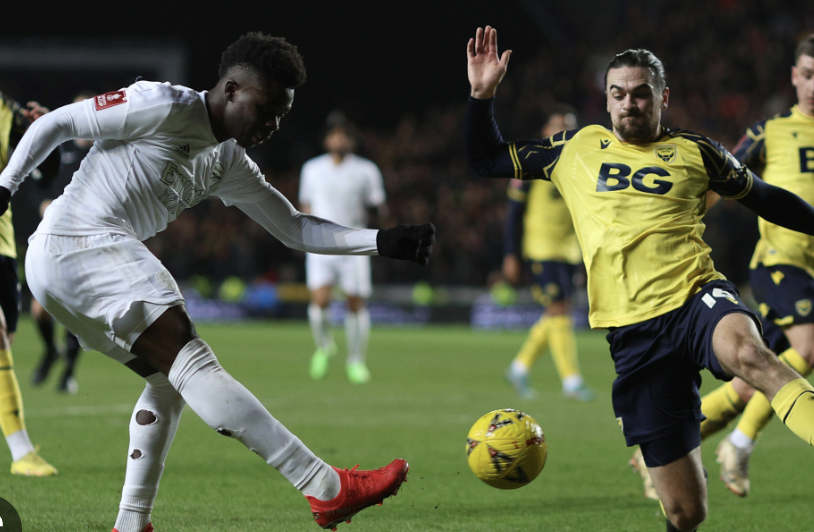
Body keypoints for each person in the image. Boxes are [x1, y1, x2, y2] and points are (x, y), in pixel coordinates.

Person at [0, 32, 434, 532]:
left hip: (63, 267)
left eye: (281, 116)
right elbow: (59, 122)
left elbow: (293, 225)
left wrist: (380, 241)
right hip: (79, 242)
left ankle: (130, 522)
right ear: (231, 89)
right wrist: (5, 187)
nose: (271, 125)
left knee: (167, 382)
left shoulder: (228, 160)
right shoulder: (161, 103)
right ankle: (325, 487)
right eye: (265, 108)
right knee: (191, 358)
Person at [465, 26, 814, 532]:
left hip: (697, 297)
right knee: (685, 512)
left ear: (663, 96)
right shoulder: (576, 148)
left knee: (749, 354)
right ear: (606, 100)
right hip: (633, 335)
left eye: (641, 92)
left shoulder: (700, 152)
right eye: (618, 93)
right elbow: (485, 159)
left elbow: (766, 197)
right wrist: (482, 96)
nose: (629, 102)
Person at [687, 34, 814, 498]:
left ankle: (666, 447)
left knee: (752, 383)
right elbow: (722, 177)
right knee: (809, 347)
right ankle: (739, 444)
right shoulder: (770, 131)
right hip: (782, 263)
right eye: (808, 74)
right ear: (794, 76)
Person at [503, 110, 595, 401]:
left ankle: (519, 367)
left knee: (558, 311)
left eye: (569, 127)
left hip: (569, 250)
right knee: (558, 309)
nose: (563, 132)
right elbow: (512, 215)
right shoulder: (529, 164)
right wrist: (510, 255)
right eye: (557, 126)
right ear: (545, 129)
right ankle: (571, 380)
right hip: (541, 247)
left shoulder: (580, 167)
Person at [299, 114, 387, 384]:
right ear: (327, 140)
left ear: (351, 141)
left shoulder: (366, 170)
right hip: (321, 244)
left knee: (355, 303)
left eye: (344, 135)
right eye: (334, 134)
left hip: (353, 244)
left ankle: (356, 360)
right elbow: (306, 205)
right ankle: (324, 347)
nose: (339, 139)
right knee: (320, 301)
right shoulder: (312, 169)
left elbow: (378, 206)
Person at [0, 90, 58, 477]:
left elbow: (43, 173)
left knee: (5, 345)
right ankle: (21, 452)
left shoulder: (8, 111)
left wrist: (45, 132)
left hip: (3, 246)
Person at [30, 90, 95, 394]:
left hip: (85, 239)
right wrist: (44, 203)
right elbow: (40, 184)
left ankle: (68, 371)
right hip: (52, 235)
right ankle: (50, 352)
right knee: (39, 309)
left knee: (73, 308)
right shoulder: (61, 149)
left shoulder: (104, 151)